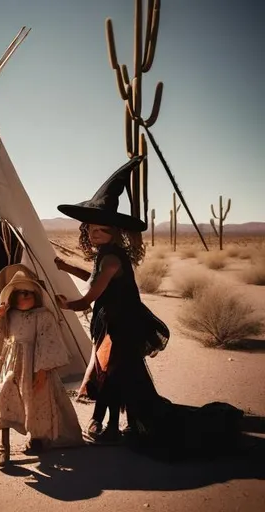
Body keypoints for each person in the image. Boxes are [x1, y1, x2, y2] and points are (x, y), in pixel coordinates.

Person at [54, 156, 243, 461]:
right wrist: (66, 268)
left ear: (115, 232)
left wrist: (67, 305)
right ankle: (105, 424)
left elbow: (91, 294)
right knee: (109, 374)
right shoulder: (105, 255)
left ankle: (110, 427)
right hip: (111, 325)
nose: (94, 235)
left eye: (101, 231)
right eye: (91, 229)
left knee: (112, 376)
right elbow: (93, 279)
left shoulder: (112, 259)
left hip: (120, 327)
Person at [0, 264, 83, 467]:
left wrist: (42, 370)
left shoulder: (44, 316)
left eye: (29, 292)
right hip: (13, 363)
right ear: (12, 296)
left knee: (38, 400)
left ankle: (38, 438)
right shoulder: (8, 315)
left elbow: (49, 341)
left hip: (37, 365)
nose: (26, 296)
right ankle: (3, 444)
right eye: (20, 292)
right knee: (6, 398)